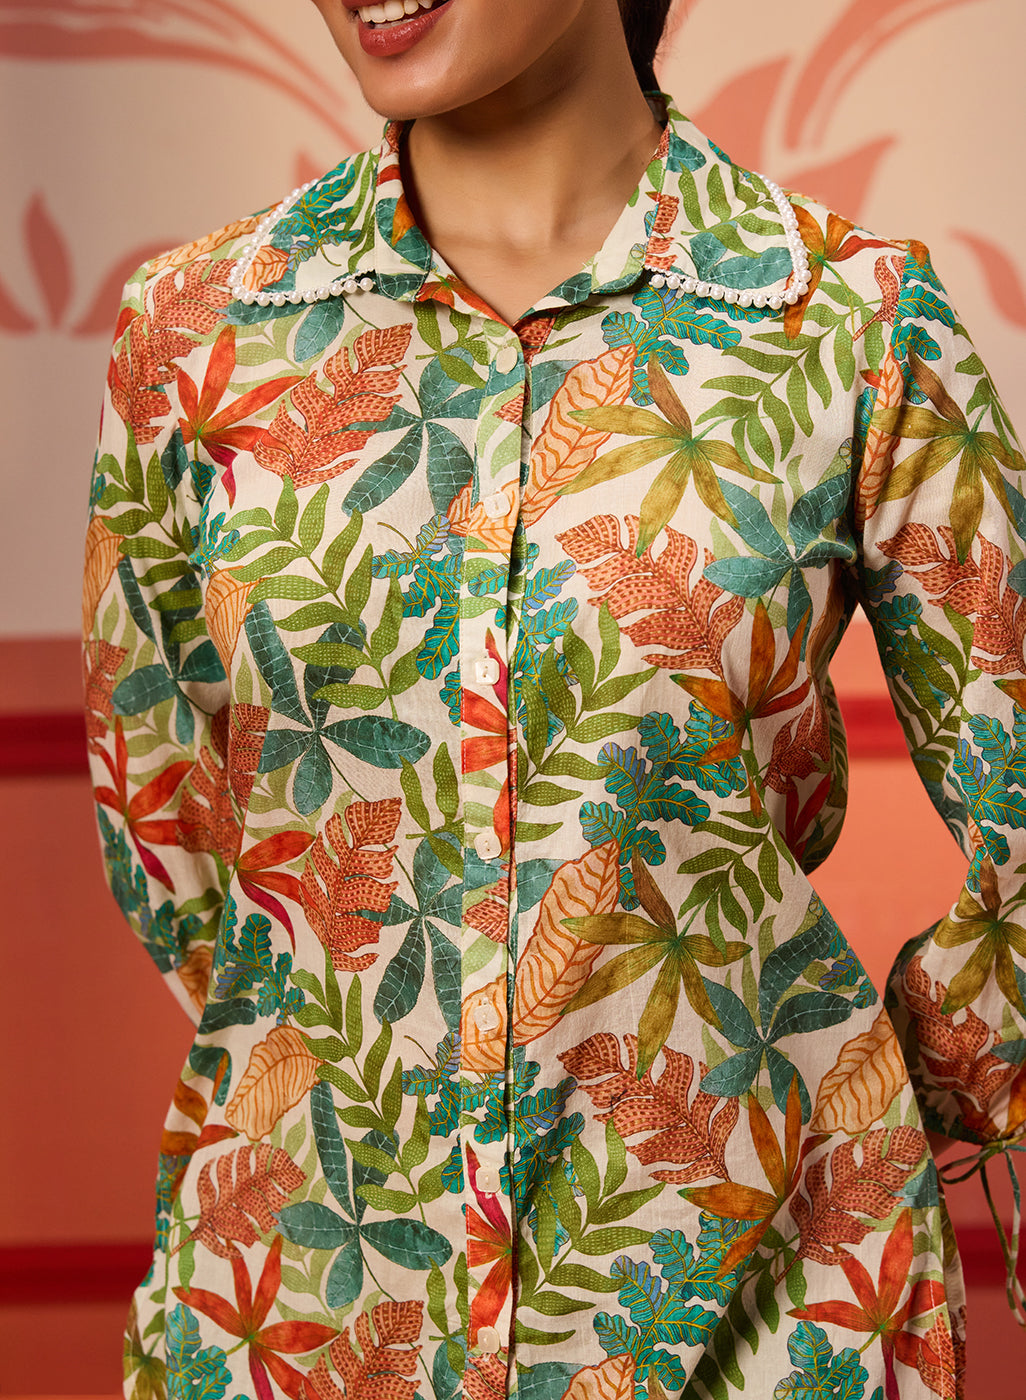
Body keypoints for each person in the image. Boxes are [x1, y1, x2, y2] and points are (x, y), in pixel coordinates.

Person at [83, 1, 1026, 1397]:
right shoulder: (196, 336)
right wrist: (360, 1060)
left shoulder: (845, 319)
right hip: (303, 1317)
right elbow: (167, 825)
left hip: (765, 1317)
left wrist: (890, 1088)